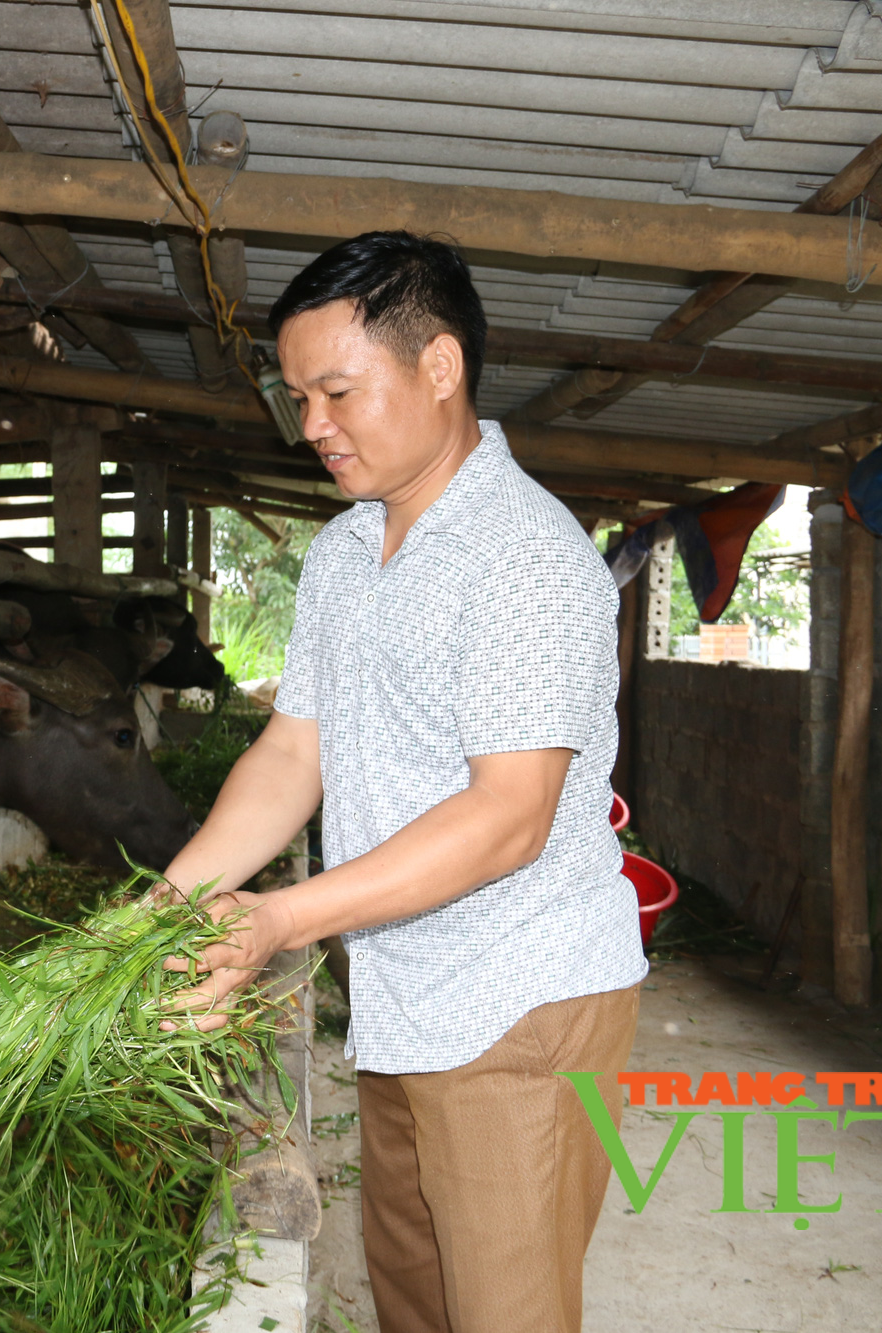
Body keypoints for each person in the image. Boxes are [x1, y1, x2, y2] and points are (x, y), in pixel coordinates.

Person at [157, 231, 647, 1333]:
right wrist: (168, 909)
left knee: (503, 1312)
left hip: (519, 999)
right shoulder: (343, 554)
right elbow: (293, 753)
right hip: (402, 991)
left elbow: (507, 817)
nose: (313, 425)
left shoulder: (525, 556)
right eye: (299, 399)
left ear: (438, 367)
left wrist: (276, 918)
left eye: (336, 390)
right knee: (413, 1297)